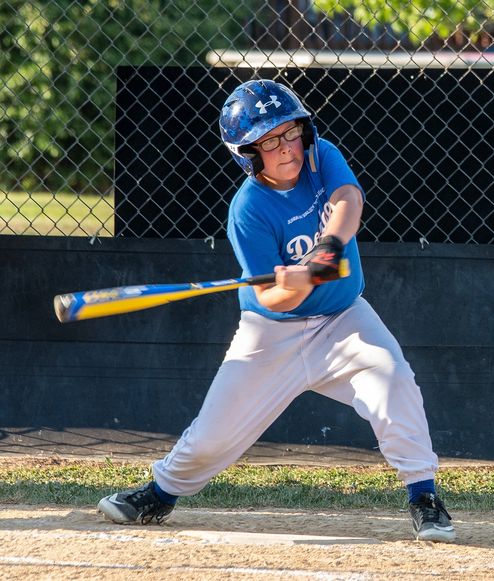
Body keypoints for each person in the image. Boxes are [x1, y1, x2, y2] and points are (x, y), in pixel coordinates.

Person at [97, 79, 456, 543]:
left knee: (394, 381)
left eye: (290, 132)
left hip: (344, 319)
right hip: (270, 334)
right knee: (212, 435)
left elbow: (349, 200)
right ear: (247, 154)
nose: (286, 147)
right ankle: (161, 493)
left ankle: (424, 496)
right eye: (269, 141)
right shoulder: (248, 209)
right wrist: (294, 286)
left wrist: (326, 249)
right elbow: (270, 298)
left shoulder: (320, 156)